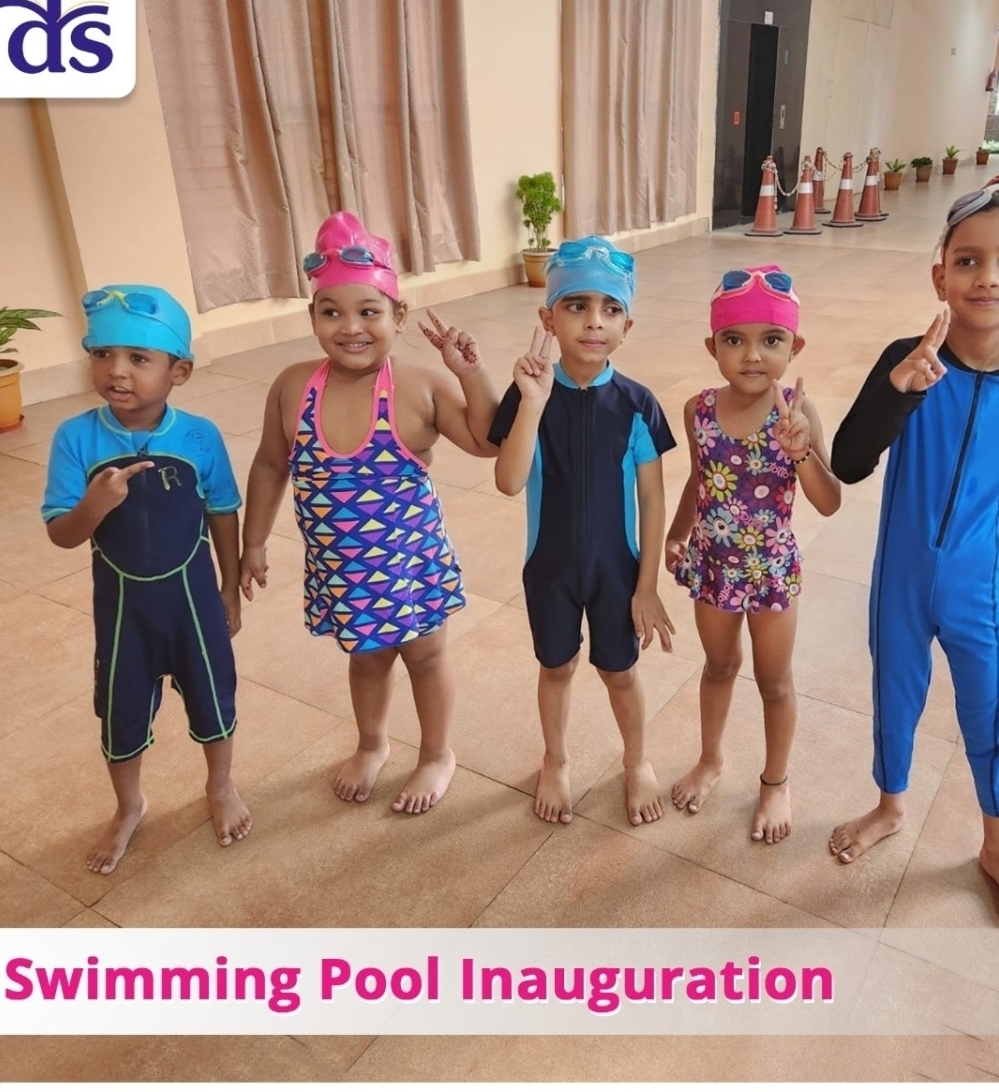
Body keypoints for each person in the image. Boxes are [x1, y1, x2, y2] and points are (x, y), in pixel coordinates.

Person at [827, 175, 999, 926]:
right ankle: (889, 805)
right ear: (941, 276)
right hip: (900, 582)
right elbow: (848, 462)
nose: (987, 277)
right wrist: (898, 391)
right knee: (895, 695)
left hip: (975, 582)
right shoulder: (910, 358)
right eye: (967, 260)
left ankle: (997, 846)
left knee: (989, 708)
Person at [239, 211, 498, 814]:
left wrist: (471, 374)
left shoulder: (418, 386)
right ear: (312, 316)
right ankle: (372, 743)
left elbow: (487, 443)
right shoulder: (293, 386)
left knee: (425, 657)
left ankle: (436, 753)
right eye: (330, 312)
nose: (350, 327)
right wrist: (254, 542)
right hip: (344, 568)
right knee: (366, 657)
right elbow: (271, 465)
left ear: (398, 316)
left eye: (368, 311)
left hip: (409, 564)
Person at [42, 284, 250, 875]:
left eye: (138, 357)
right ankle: (129, 804)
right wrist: (94, 505)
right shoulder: (75, 438)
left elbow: (222, 512)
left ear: (178, 371)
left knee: (213, 694)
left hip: (193, 604)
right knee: (120, 707)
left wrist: (229, 588)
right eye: (102, 354)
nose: (117, 370)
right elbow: (62, 534)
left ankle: (221, 785)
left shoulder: (199, 436)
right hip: (122, 614)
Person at [489, 236, 677, 827]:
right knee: (556, 667)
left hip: (617, 570)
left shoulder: (638, 403)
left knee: (620, 671)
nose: (594, 321)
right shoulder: (528, 396)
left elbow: (652, 497)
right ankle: (556, 759)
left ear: (626, 325)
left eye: (610, 308)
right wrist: (532, 403)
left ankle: (637, 761)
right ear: (548, 318)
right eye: (576, 305)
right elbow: (508, 481)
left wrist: (647, 585)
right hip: (549, 568)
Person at [664, 266, 841, 842]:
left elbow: (829, 502)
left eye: (771, 340)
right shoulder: (697, 409)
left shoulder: (797, 412)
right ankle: (710, 759)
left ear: (795, 347)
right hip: (713, 564)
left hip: (772, 571)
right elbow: (699, 478)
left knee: (774, 680)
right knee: (718, 667)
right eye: (734, 340)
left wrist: (800, 452)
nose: (752, 355)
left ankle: (775, 782)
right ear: (712, 346)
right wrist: (676, 533)